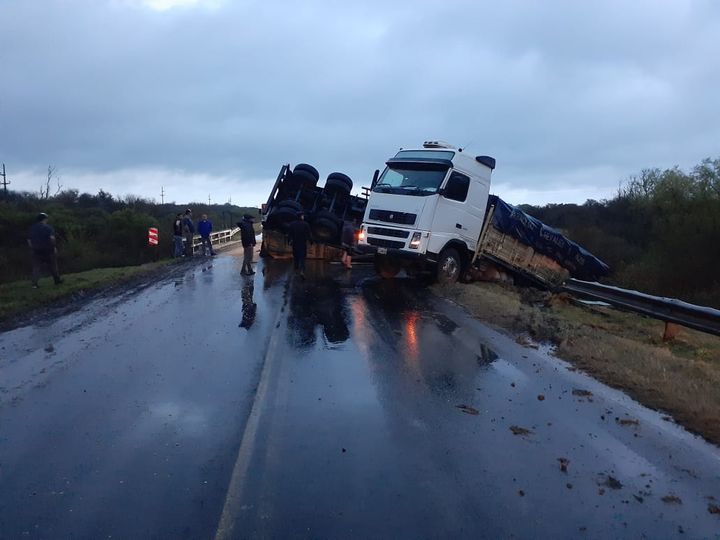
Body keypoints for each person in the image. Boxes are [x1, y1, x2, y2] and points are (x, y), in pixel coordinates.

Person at [27, 212, 63, 287]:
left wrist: (32, 248)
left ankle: (34, 284)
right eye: (46, 218)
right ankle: (57, 280)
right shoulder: (48, 227)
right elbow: (52, 239)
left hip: (36, 250)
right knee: (53, 265)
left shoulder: (32, 228)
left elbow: (29, 240)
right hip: (48, 250)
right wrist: (54, 247)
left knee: (36, 267)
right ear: (44, 219)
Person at [287, 212, 313, 278]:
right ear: (301, 217)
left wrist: (288, 241)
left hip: (295, 243)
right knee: (302, 258)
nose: (303, 217)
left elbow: (289, 234)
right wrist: (311, 242)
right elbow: (309, 234)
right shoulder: (305, 224)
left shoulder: (292, 224)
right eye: (302, 216)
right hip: (302, 243)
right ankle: (302, 271)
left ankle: (296, 269)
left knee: (296, 257)